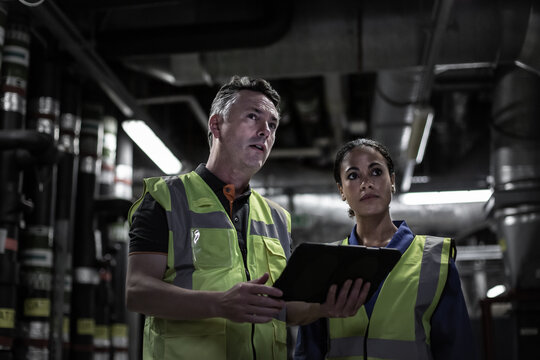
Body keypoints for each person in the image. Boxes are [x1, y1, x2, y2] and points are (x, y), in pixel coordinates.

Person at [126, 76, 370, 360]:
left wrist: (322, 308)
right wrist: (219, 304)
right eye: (253, 116)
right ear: (216, 125)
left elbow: (280, 307)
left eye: (272, 124)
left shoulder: (277, 218)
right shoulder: (165, 199)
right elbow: (137, 291)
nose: (265, 131)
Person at [294, 138, 477, 360]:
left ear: (392, 181)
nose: (366, 183)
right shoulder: (324, 264)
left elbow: (458, 350)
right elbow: (308, 353)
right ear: (341, 191)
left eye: (376, 172)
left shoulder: (435, 260)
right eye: (353, 175)